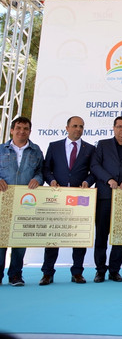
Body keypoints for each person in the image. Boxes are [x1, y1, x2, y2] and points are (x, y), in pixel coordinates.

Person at [40, 116, 95, 285]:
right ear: (67, 127)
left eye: (81, 126)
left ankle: (77, 272)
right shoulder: (54, 146)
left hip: (79, 199)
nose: (78, 129)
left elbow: (94, 171)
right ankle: (48, 273)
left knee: (78, 237)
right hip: (58, 198)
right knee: (54, 236)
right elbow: (46, 168)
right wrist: (51, 180)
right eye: (74, 126)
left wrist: (87, 182)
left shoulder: (90, 149)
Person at [90, 116, 122, 283]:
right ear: (114, 128)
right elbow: (95, 166)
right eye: (119, 126)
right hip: (104, 196)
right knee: (101, 236)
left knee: (119, 237)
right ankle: (100, 271)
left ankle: (115, 271)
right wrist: (108, 179)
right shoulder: (102, 144)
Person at [0, 117, 44, 286]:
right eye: (18, 128)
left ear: (30, 131)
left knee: (20, 239)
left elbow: (41, 171)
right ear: (12, 130)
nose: (22, 131)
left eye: (25, 128)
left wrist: (37, 179)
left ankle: (15, 275)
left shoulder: (35, 151)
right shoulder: (1, 150)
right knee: (1, 240)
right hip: (3, 201)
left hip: (26, 202)